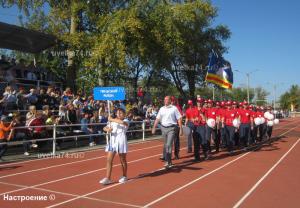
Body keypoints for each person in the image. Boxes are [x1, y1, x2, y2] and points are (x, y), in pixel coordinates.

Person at [100, 108, 129, 185]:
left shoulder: (126, 120)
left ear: (124, 114)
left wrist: (111, 119)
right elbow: (104, 127)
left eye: (120, 113)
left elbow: (122, 122)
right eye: (117, 113)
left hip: (121, 141)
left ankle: (124, 176)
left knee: (122, 160)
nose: (118, 114)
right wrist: (107, 129)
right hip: (112, 141)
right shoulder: (112, 120)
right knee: (109, 160)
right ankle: (108, 178)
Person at [152, 96, 183, 169]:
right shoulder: (162, 108)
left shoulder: (174, 108)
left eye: (166, 99)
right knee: (166, 145)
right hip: (163, 128)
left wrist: (181, 128)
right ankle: (169, 161)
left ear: (170, 100)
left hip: (172, 128)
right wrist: (154, 127)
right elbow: (157, 118)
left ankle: (167, 161)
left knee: (169, 144)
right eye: (164, 99)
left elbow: (179, 118)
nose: (165, 100)